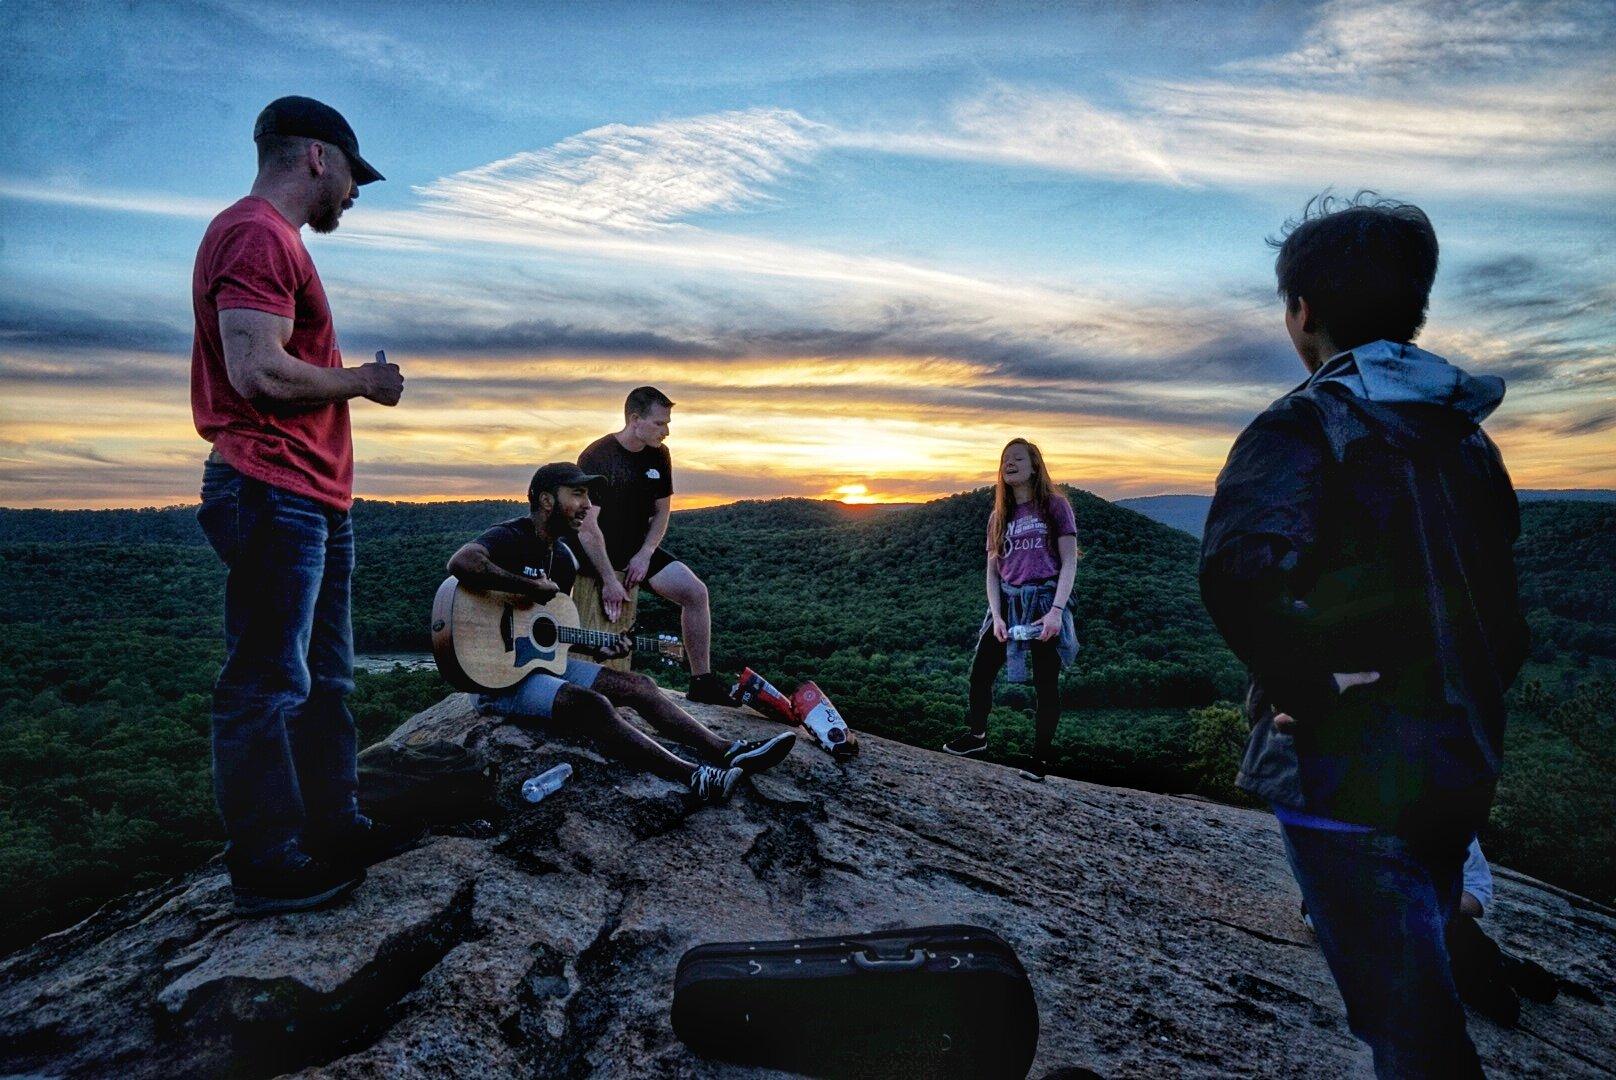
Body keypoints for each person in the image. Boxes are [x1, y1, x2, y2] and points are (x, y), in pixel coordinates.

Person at [1200, 193, 1529, 1078]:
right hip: (1460, 751)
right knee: (1419, 985)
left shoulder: (1303, 425)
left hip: (1344, 771)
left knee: (1409, 1032)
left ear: (1302, 311)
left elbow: (1238, 573)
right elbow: (1505, 615)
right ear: (1414, 307)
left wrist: (1319, 692)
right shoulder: (1466, 440)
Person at [192, 96, 409, 915]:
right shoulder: (254, 234)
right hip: (274, 487)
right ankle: (268, 863)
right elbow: (259, 372)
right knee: (266, 682)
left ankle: (334, 825)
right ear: (318, 157)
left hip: (311, 495)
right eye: (354, 175)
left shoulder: (273, 240)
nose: (355, 192)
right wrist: (365, 382)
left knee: (326, 680)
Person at [448, 463, 796, 804]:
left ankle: (729, 751)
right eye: (577, 493)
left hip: (537, 667)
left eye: (588, 495)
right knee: (593, 705)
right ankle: (694, 776)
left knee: (640, 686)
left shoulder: (565, 559)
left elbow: (547, 635)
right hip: (497, 680)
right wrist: (528, 585)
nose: (587, 504)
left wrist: (603, 650)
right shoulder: (512, 535)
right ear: (546, 500)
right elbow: (462, 562)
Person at [576, 387, 730, 705]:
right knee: (583, 630)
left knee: (696, 593)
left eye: (668, 423)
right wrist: (608, 578)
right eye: (660, 423)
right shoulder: (597, 456)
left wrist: (645, 554)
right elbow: (588, 529)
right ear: (635, 420)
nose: (667, 431)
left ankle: (702, 681)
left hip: (636, 548)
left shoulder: (660, 454)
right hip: (595, 552)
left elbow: (662, 512)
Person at [942, 438, 1079, 780]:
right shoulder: (999, 516)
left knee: (1046, 683)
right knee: (981, 672)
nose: (1009, 463)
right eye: (1005, 459)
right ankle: (976, 736)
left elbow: (1069, 562)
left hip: (1044, 599)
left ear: (1035, 465)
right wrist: (997, 614)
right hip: (1006, 600)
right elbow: (991, 571)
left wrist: (1057, 611)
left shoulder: (1055, 506)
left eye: (1018, 458)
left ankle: (1041, 759)